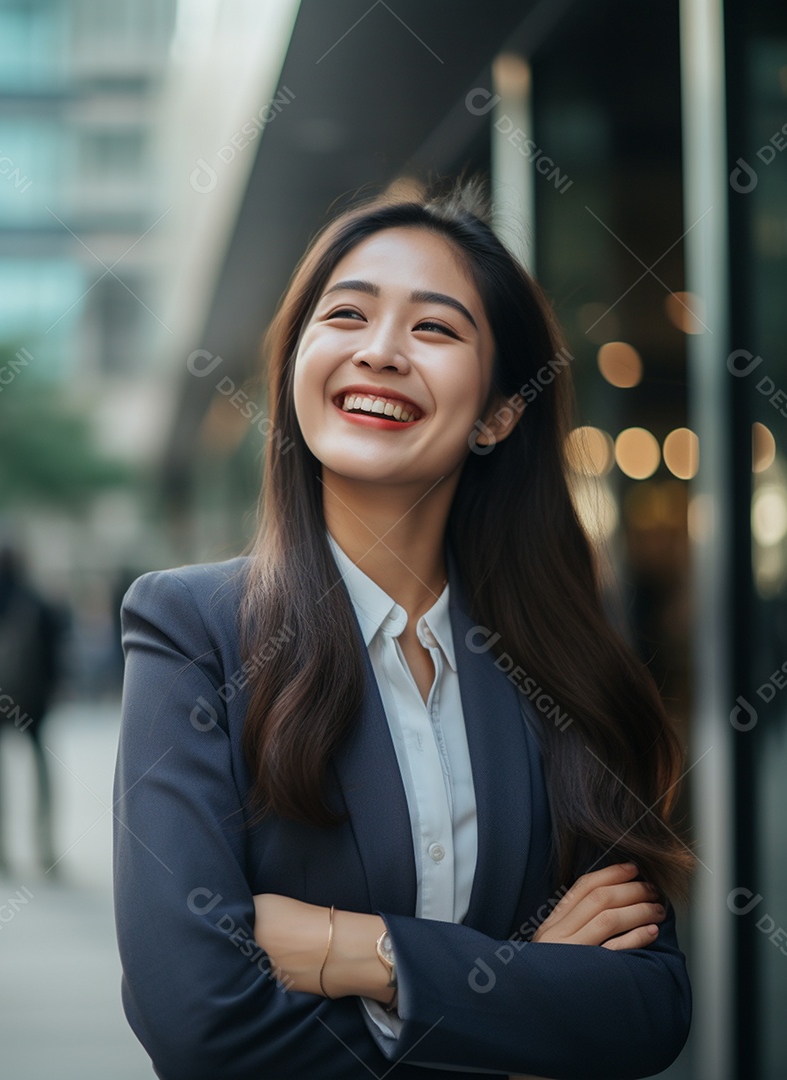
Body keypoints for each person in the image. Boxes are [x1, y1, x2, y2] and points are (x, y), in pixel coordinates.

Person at [113, 177, 693, 1080]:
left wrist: (364, 954)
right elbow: (197, 1022)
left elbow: (647, 1008)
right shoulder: (193, 631)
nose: (380, 352)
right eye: (345, 316)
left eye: (434, 327)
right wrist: (524, 989)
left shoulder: (561, 663)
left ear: (501, 412)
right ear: (297, 369)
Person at [0, 543, 66, 874]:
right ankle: (45, 845)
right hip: (30, 699)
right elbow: (54, 646)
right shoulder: (31, 599)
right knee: (41, 768)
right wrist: (51, 689)